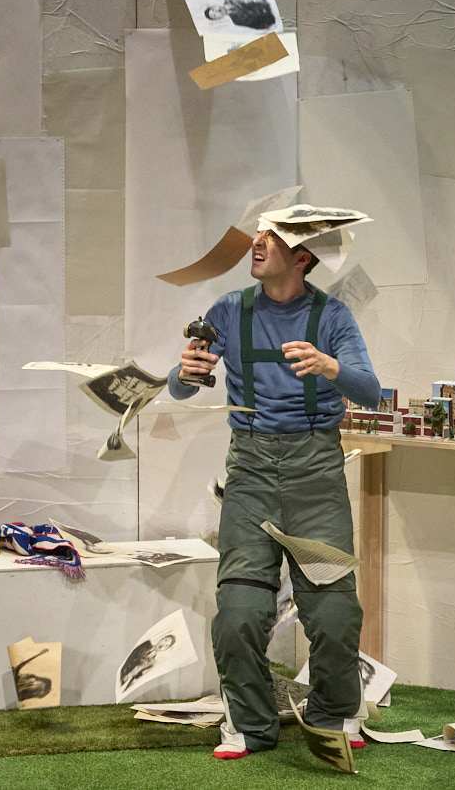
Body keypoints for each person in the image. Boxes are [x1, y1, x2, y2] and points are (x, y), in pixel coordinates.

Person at [168, 224, 381, 760]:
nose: (257, 244)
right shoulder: (228, 310)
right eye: (258, 234)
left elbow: (370, 390)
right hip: (251, 472)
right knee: (238, 612)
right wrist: (185, 373)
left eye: (274, 237)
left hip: (316, 473)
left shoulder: (331, 317)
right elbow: (179, 385)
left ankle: (335, 713)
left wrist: (330, 366)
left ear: (304, 257)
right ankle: (249, 724)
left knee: (333, 612)